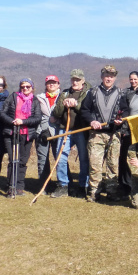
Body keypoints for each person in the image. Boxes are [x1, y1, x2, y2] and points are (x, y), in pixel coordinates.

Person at [79, 65, 124, 202]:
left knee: (113, 165)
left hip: (114, 134)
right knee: (95, 165)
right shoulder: (92, 92)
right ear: (101, 77)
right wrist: (91, 121)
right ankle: (94, 192)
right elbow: (84, 110)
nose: (108, 78)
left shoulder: (121, 93)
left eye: (111, 76)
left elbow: (126, 111)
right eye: (106, 75)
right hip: (96, 135)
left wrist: (120, 121)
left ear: (115, 77)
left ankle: (112, 191)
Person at [51, 69, 92, 198]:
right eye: (73, 79)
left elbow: (88, 110)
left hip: (81, 130)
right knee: (60, 157)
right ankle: (63, 185)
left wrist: (76, 104)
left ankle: (83, 186)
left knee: (84, 159)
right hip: (65, 130)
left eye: (78, 80)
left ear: (83, 80)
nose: (75, 82)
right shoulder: (65, 93)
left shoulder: (89, 93)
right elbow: (56, 113)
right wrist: (64, 104)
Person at [0, 78, 41, 197]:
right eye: (23, 87)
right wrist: (13, 121)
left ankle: (20, 187)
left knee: (22, 161)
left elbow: (37, 118)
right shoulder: (13, 97)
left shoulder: (35, 100)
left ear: (32, 87)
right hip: (12, 133)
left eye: (28, 86)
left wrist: (23, 121)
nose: (25, 89)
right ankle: (11, 186)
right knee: (13, 160)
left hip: (27, 134)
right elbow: (2, 113)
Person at [35, 75, 61, 192]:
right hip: (43, 132)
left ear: (58, 84)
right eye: (49, 83)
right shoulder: (39, 98)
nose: (51, 85)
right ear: (46, 85)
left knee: (60, 159)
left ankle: (63, 184)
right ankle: (44, 185)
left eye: (54, 83)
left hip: (58, 132)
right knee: (43, 159)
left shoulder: (63, 96)